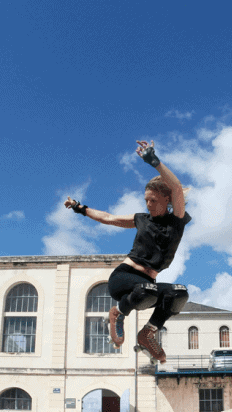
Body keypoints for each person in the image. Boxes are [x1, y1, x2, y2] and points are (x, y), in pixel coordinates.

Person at [63, 140, 191, 363]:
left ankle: (147, 334)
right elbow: (108, 218)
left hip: (145, 285)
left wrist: (155, 162)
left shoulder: (176, 221)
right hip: (123, 277)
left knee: (178, 294)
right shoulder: (141, 219)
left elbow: (177, 188)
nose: (149, 205)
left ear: (167, 200)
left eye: (153, 200)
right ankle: (117, 314)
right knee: (148, 290)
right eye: (146, 200)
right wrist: (79, 207)